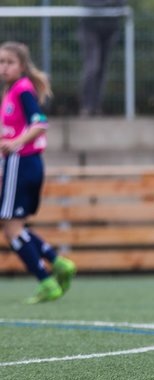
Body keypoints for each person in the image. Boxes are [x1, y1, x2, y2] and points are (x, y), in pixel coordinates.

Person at [0, 42, 77, 303]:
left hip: (21, 163)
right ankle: (58, 264)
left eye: (9, 62)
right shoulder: (13, 91)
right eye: (0, 62)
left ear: (21, 66)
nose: (3, 67)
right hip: (25, 164)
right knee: (13, 226)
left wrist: (16, 143)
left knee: (10, 227)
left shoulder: (21, 90)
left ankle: (46, 279)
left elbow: (40, 123)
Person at [74, 0, 129, 117]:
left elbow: (121, 0)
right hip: (89, 28)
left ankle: (96, 106)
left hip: (110, 28)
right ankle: (86, 105)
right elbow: (85, 1)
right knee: (92, 66)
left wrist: (101, 3)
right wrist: (108, 1)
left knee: (103, 69)